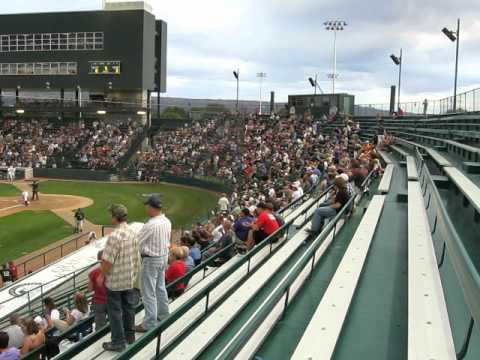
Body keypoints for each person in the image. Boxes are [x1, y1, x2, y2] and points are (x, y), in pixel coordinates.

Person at [101, 204, 140, 351]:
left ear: (115, 217)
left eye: (111, 214)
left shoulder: (115, 236)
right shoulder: (132, 232)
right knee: (129, 308)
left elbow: (107, 261)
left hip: (115, 282)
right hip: (129, 279)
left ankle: (118, 342)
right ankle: (130, 336)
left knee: (115, 312)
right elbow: (137, 257)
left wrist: (101, 276)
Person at [134, 196, 171, 333]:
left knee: (148, 292)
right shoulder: (167, 221)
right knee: (160, 288)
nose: (146, 208)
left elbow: (136, 242)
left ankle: (149, 323)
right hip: (163, 257)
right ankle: (163, 314)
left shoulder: (151, 225)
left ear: (151, 207)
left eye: (147, 206)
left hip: (151, 260)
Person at [88, 251, 108, 330]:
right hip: (111, 300)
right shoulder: (113, 269)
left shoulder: (93, 272)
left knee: (100, 326)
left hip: (99, 302)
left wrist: (91, 279)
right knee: (115, 322)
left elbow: (90, 289)